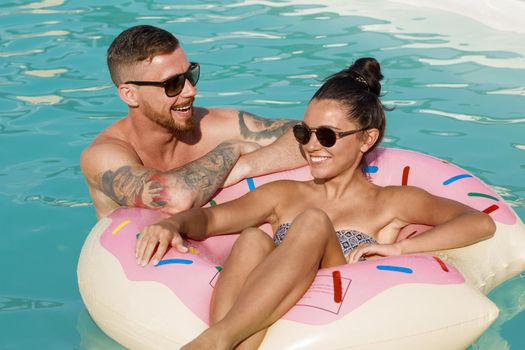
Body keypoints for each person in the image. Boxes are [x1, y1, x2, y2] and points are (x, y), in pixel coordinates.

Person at [135, 57, 496, 350]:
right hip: (269, 311)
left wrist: (401, 248)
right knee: (252, 239)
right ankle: (226, 342)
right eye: (303, 132)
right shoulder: (284, 193)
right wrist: (172, 223)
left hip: (334, 311)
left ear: (367, 139)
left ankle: (216, 341)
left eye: (326, 135)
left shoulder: (391, 202)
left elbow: (480, 223)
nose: (311, 145)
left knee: (312, 222)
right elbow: (213, 222)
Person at [80, 25, 305, 218]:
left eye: (190, 74)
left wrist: (245, 166)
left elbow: (315, 133)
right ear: (130, 94)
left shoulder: (219, 124)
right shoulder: (103, 156)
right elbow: (173, 198)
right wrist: (230, 149)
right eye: (173, 84)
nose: (191, 90)